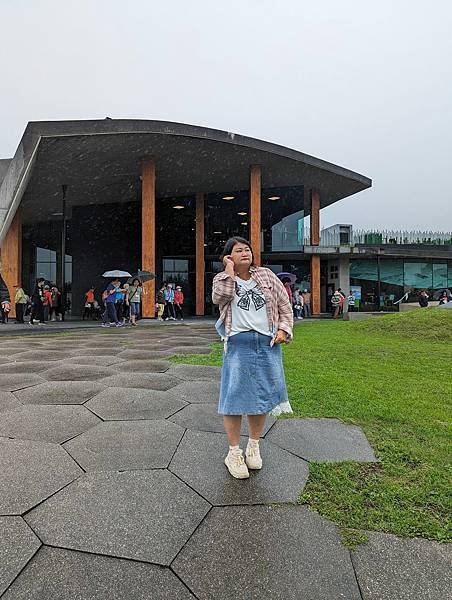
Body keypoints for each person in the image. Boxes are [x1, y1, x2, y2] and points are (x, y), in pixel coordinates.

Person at [212, 236, 294, 480]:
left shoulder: (267, 275)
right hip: (239, 343)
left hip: (266, 342)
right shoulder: (222, 279)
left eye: (247, 249)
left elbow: (285, 305)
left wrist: (284, 329)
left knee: (262, 395)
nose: (245, 253)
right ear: (229, 256)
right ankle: (233, 452)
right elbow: (221, 297)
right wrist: (229, 270)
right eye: (238, 251)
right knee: (234, 396)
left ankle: (254, 445)